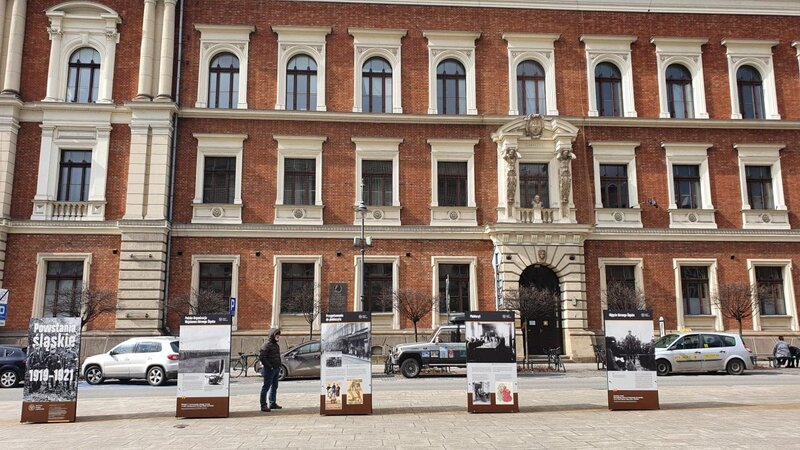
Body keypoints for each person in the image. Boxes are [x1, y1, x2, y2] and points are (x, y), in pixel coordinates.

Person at [259, 328, 282, 412]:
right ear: (272, 335)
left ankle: (272, 403)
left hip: (276, 368)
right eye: (276, 335)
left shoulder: (276, 345)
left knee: (274, 386)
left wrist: (278, 365)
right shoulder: (266, 345)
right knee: (266, 387)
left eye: (278, 335)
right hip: (269, 370)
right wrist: (270, 366)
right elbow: (262, 357)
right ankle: (263, 405)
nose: (278, 336)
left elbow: (277, 356)